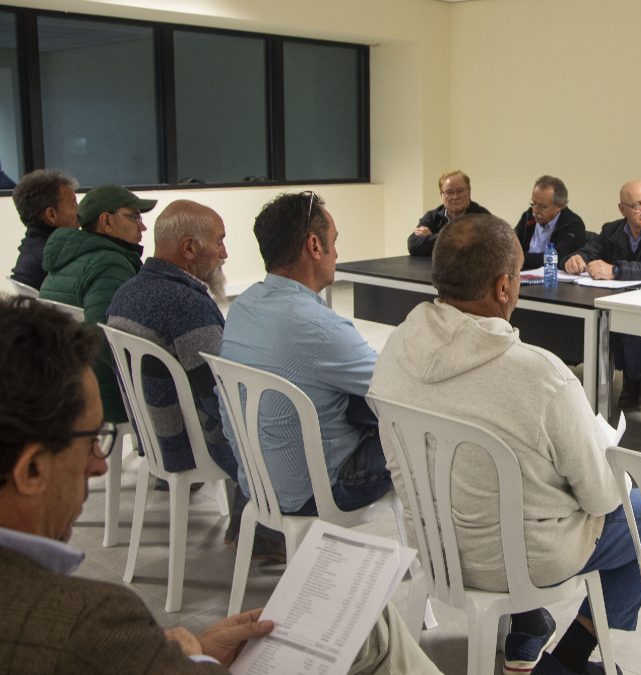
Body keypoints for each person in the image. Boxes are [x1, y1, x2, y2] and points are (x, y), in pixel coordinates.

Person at [0, 297, 442, 675]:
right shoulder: (89, 626)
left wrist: (193, 656)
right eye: (94, 441)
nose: (99, 465)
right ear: (32, 470)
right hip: (310, 487)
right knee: (374, 623)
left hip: (262, 490)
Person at [370, 214, 641, 675]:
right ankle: (570, 659)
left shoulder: (396, 347)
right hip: (521, 562)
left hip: (434, 552)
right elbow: (603, 496)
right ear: (503, 288)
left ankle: (527, 625)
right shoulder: (541, 377)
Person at [106, 200, 282, 560]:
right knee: (271, 425)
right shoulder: (187, 305)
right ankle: (265, 535)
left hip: (153, 435)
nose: (225, 253)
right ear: (189, 248)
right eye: (219, 241)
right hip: (185, 443)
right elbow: (220, 398)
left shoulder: (127, 291)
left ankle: (248, 529)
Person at [220, 192, 393, 518]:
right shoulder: (321, 328)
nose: (337, 253)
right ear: (314, 246)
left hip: (257, 484)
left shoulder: (242, 306)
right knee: (418, 432)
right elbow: (396, 384)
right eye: (334, 242)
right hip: (318, 491)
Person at [564, 181, 641, 410]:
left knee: (633, 330)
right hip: (622, 304)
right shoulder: (611, 230)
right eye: (638, 205)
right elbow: (588, 251)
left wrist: (615, 270)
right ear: (622, 209)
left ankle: (635, 378)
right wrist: (576, 259)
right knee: (601, 329)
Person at [40, 184, 156, 426]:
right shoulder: (110, 263)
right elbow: (102, 334)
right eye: (134, 217)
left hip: (65, 381)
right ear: (106, 221)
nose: (143, 226)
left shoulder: (71, 255)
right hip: (103, 392)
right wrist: (149, 376)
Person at [10, 169, 79, 290]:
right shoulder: (54, 259)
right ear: (51, 215)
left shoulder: (30, 246)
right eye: (74, 203)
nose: (79, 210)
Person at [407, 170, 491, 256]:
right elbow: (413, 244)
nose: (455, 197)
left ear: (469, 192)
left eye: (460, 191)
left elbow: (481, 249)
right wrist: (460, 239)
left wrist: (432, 238)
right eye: (449, 192)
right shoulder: (432, 216)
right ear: (441, 194)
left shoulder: (483, 217)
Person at [513, 175, 587, 271]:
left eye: (542, 206)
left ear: (559, 206)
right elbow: (512, 247)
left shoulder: (573, 224)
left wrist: (519, 258)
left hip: (554, 278)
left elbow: (556, 258)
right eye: (533, 204)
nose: (535, 210)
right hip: (524, 275)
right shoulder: (528, 217)